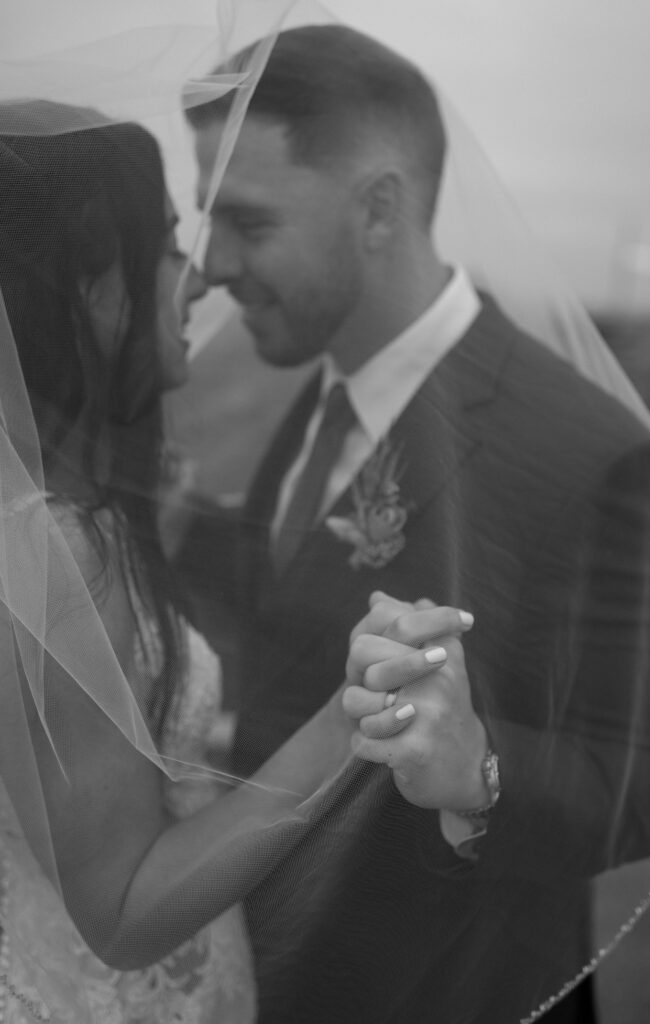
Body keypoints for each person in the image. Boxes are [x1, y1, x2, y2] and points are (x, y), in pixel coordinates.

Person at [185, 23, 650, 1024]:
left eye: (247, 221)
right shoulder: (319, 397)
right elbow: (296, 630)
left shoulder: (589, 454)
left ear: (379, 208)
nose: (211, 265)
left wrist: (481, 770)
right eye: (206, 220)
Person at [0, 103, 464, 1023]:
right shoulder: (49, 551)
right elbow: (125, 912)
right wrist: (355, 714)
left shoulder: (47, 528)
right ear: (92, 291)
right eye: (169, 246)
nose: (198, 277)